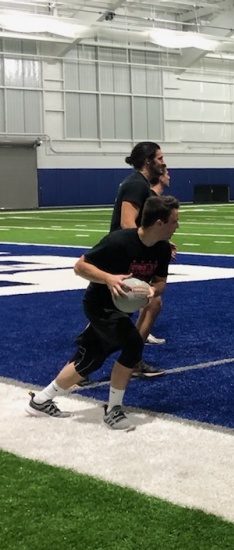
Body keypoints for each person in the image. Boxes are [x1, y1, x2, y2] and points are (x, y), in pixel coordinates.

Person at [26, 195, 180, 431]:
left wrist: (150, 290)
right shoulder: (119, 242)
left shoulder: (161, 249)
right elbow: (80, 266)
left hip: (121, 309)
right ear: (159, 223)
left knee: (90, 359)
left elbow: (161, 283)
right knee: (132, 344)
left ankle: (40, 401)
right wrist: (108, 278)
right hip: (100, 304)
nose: (177, 226)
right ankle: (113, 410)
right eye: (174, 221)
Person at [105, 142, 168, 378]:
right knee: (115, 311)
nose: (163, 162)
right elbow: (127, 223)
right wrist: (146, 249)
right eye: (160, 158)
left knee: (150, 302)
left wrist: (159, 241)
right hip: (122, 257)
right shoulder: (135, 184)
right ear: (148, 160)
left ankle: (132, 358)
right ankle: (85, 362)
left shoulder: (139, 184)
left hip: (126, 254)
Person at [136, 168, 177, 347]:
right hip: (138, 252)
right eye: (166, 172)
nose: (169, 176)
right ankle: (135, 344)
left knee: (153, 300)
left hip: (149, 249)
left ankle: (135, 346)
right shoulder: (149, 197)